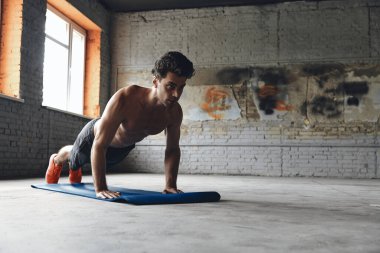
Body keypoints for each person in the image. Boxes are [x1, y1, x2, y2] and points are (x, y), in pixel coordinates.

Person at [45, 51, 195, 199]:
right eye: (171, 86)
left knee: (90, 161)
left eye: (181, 87)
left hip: (121, 149)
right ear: (156, 81)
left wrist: (170, 186)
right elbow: (99, 145)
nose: (176, 94)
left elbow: (172, 150)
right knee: (77, 157)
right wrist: (101, 188)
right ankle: (58, 158)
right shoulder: (126, 98)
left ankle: (75, 164)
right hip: (94, 138)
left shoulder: (174, 112)